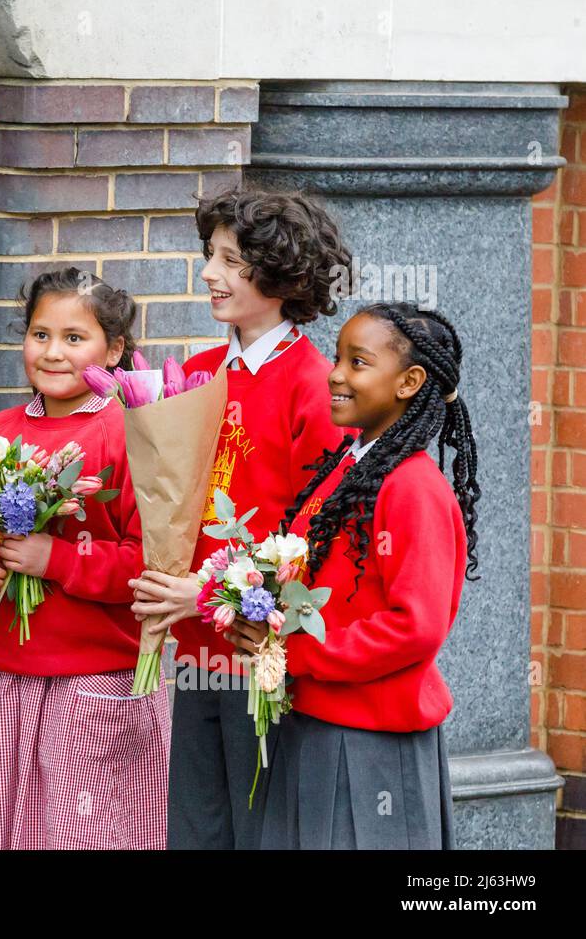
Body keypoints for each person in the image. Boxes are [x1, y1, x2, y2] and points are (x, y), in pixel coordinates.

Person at [129, 187, 351, 849]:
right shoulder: (197, 374)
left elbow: (319, 537)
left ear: (280, 274)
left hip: (263, 662)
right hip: (194, 657)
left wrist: (207, 593)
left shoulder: (313, 387)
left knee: (261, 833)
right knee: (195, 831)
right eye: (209, 256)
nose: (208, 273)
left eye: (230, 260)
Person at [0, 268, 169, 849]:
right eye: (39, 335)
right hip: (1, 681)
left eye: (74, 338)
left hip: (94, 685)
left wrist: (55, 558)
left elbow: (151, 565)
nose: (53, 352)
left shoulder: (131, 433)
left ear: (113, 350)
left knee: (83, 834)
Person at [224, 302, 479, 849]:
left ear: (409, 382)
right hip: (313, 721)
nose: (335, 373)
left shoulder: (414, 488)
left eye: (357, 362)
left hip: (371, 741)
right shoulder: (345, 467)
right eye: (337, 357)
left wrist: (299, 653)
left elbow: (415, 627)